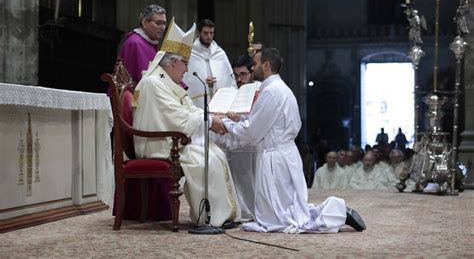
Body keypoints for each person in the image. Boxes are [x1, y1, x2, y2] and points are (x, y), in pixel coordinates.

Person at [222, 47, 366, 233]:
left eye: (255, 63)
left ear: (266, 66)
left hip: (276, 157)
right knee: (287, 210)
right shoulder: (280, 88)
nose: (253, 67)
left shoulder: (272, 92)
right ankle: (335, 212)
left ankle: (336, 211)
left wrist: (224, 124)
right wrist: (238, 120)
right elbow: (265, 124)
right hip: (283, 153)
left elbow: (252, 132)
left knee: (285, 219)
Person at [133, 18, 241, 227]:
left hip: (170, 140)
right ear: (173, 62)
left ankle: (218, 215)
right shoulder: (154, 83)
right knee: (206, 159)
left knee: (214, 153)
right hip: (157, 144)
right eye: (185, 63)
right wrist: (209, 122)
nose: (186, 69)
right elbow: (176, 117)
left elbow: (187, 109)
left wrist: (212, 116)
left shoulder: (165, 81)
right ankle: (209, 216)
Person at [223, 53, 261, 221]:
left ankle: (255, 213)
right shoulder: (231, 91)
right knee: (236, 182)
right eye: (236, 75)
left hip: (254, 143)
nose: (239, 79)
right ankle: (241, 213)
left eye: (243, 74)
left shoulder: (260, 89)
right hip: (234, 142)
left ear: (252, 71)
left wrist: (240, 119)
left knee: (253, 182)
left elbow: (261, 117)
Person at [183, 19, 236, 109]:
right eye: (206, 33)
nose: (209, 36)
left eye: (211, 33)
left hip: (217, 99)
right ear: (198, 33)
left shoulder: (219, 53)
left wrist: (216, 83)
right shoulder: (191, 53)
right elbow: (187, 78)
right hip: (198, 103)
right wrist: (203, 82)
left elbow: (228, 78)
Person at [117, 4, 167, 85]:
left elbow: (157, 72)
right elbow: (145, 75)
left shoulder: (150, 43)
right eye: (158, 23)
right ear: (144, 23)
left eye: (164, 23)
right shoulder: (136, 43)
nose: (163, 27)